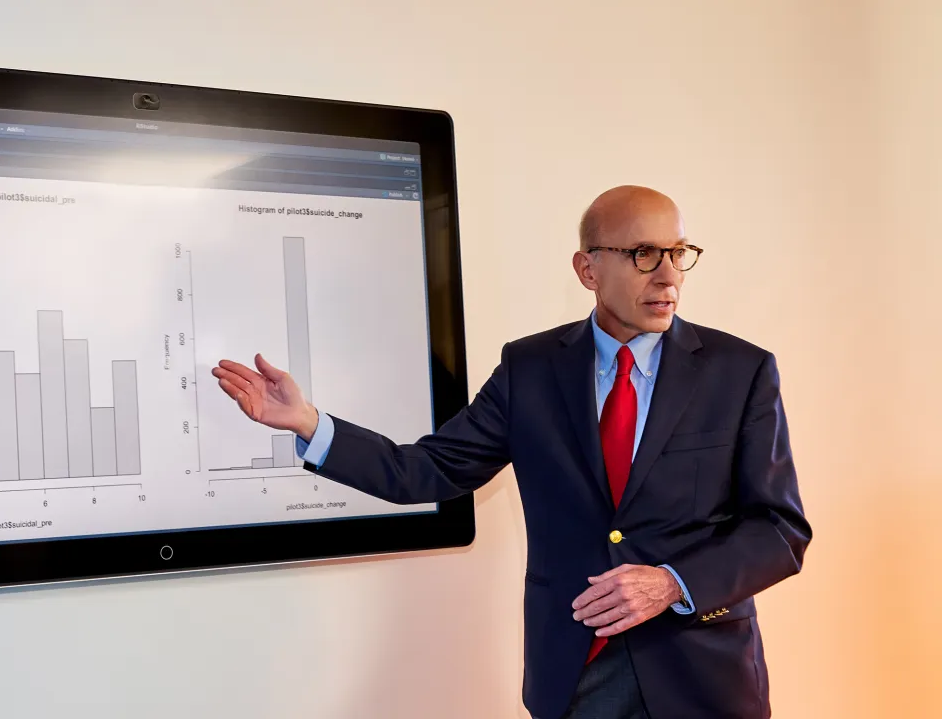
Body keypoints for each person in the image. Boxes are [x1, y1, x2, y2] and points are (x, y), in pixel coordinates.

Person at [212, 186, 810, 719]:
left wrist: (672, 583)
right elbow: (427, 470)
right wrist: (310, 424)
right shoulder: (531, 368)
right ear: (588, 268)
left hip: (703, 677)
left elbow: (779, 530)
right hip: (576, 674)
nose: (668, 276)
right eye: (643, 255)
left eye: (678, 253)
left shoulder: (741, 371)